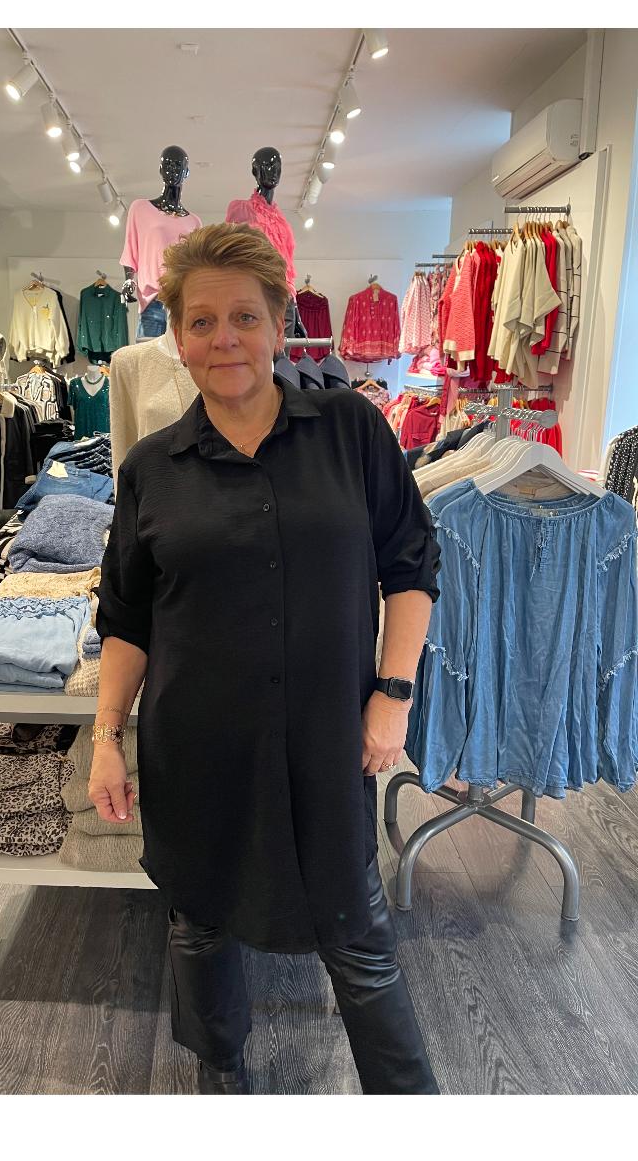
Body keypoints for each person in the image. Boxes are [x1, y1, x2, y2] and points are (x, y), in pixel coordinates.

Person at [90, 222, 441, 1096]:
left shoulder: (351, 428)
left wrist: (393, 693)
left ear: (280, 326)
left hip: (326, 741)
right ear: (177, 337)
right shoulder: (152, 469)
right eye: (201, 321)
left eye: (244, 317)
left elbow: (411, 564)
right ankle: (223, 1079)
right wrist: (105, 736)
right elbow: (127, 616)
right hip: (197, 746)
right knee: (200, 925)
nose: (225, 339)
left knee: (356, 934)